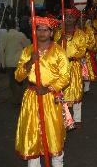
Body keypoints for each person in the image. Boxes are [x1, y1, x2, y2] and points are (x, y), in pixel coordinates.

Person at [15, 16, 70, 167]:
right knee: (32, 135)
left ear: (51, 33)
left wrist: (48, 88)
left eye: (45, 30)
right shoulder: (28, 51)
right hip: (31, 98)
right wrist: (30, 62)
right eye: (39, 29)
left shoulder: (59, 52)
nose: (41, 33)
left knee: (53, 136)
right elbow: (18, 77)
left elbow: (66, 77)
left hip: (51, 98)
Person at [54, 8, 88, 128]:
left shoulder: (81, 34)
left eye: (71, 17)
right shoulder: (59, 33)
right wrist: (61, 39)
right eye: (67, 16)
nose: (69, 19)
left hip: (74, 66)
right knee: (61, 92)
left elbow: (83, 50)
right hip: (61, 67)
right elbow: (54, 49)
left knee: (77, 91)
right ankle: (64, 118)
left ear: (75, 19)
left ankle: (77, 118)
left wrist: (71, 58)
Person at [0, 19, 30, 105]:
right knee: (20, 81)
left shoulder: (4, 36)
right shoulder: (20, 35)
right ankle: (21, 98)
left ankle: (15, 98)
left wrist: (2, 63)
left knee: (12, 81)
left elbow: (1, 50)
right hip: (19, 62)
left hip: (8, 62)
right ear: (16, 25)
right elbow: (27, 45)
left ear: (6, 26)